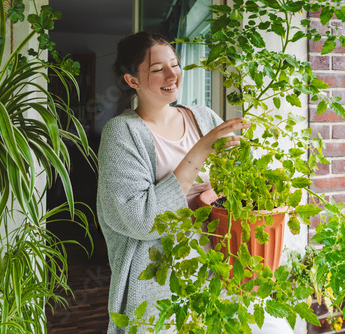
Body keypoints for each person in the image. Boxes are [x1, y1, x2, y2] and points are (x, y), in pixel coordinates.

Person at [96, 31, 249, 333]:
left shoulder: (203, 117)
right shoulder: (122, 133)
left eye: (175, 64)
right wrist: (201, 150)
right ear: (132, 81)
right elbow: (140, 220)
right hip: (161, 284)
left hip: (219, 267)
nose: (173, 75)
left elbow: (235, 187)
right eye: (157, 69)